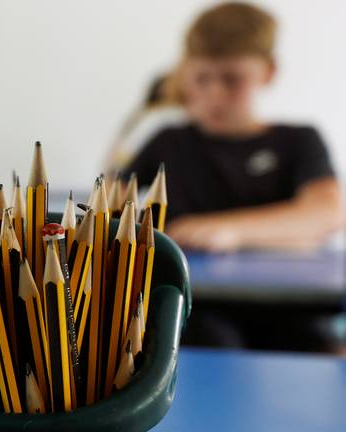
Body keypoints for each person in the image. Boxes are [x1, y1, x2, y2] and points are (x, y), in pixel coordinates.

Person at [123, 2, 345, 351]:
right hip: (194, 309)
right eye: (201, 78)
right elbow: (112, 207)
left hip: (289, 308)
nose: (214, 93)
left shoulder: (299, 140)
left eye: (232, 79)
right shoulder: (168, 141)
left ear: (268, 72)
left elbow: (327, 213)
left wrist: (230, 231)